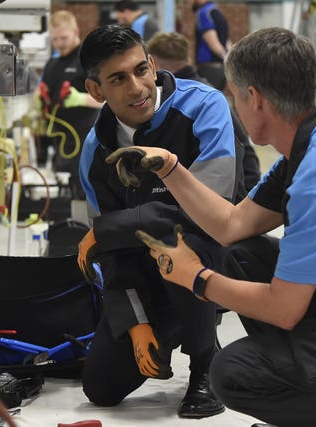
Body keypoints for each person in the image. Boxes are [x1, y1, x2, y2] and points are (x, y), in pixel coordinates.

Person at [108, 27, 316, 426]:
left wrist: (196, 278)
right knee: (241, 254)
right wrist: (170, 168)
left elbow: (284, 310)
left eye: (234, 95)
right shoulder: (313, 142)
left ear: (253, 97)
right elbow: (231, 225)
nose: (233, 104)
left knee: (233, 373)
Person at [77, 24, 245, 419]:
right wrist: (135, 322)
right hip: (142, 272)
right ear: (96, 90)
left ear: (153, 65)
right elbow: (113, 256)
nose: (137, 88)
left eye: (140, 70)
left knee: (181, 244)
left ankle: (205, 360)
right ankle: (165, 326)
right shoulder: (94, 151)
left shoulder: (205, 107)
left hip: (206, 256)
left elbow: (210, 211)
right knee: (100, 388)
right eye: (118, 79)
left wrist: (105, 230)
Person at [147, 31, 261, 193]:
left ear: (154, 65)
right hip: (240, 191)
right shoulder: (209, 94)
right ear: (188, 59)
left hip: (221, 199)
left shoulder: (187, 101)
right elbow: (246, 151)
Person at [38, 10, 103, 200]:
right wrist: (40, 99)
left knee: (87, 191)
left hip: (86, 138)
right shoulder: (53, 62)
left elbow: (108, 99)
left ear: (76, 30)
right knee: (66, 193)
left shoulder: (89, 60)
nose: (59, 44)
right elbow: (46, 92)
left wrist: (81, 99)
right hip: (61, 139)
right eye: (55, 39)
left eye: (64, 38)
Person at [189, 0, 230, 91]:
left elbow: (213, 42)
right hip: (221, 70)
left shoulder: (203, 12)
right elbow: (226, 41)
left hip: (209, 69)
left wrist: (227, 59)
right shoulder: (217, 11)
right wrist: (228, 60)